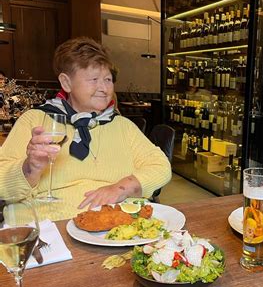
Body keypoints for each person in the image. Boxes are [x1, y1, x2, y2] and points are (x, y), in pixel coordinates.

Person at [0, 37, 171, 222]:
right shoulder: (34, 120)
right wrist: (29, 169)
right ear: (66, 83)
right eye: (94, 79)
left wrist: (122, 188)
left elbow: (160, 166)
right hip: (48, 229)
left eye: (108, 79)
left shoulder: (122, 126)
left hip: (113, 227)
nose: (104, 88)